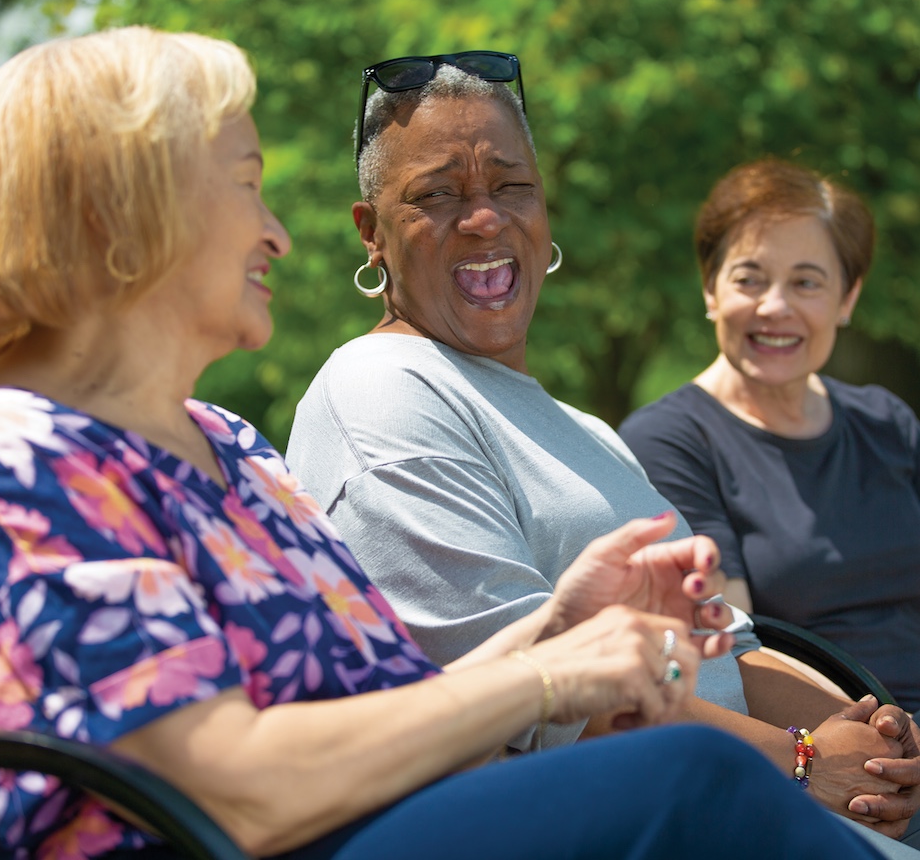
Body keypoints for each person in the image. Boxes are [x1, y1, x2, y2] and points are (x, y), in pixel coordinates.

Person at [0, 28, 873, 860]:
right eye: (246, 187)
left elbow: (388, 711)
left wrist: (556, 626)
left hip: (379, 818)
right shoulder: (19, 457)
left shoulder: (227, 445)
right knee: (689, 776)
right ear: (116, 216)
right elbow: (225, 787)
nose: (277, 234)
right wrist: (551, 674)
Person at [286, 51, 920, 855]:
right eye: (437, 195)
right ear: (372, 233)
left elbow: (734, 647)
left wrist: (863, 736)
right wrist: (800, 763)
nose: (484, 219)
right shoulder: (380, 390)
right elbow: (535, 702)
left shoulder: (587, 430)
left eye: (512, 186)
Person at [618, 157, 920, 713]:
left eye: (806, 282)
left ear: (847, 299)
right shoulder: (670, 442)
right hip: (839, 743)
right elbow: (734, 650)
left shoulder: (888, 422)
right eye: (749, 279)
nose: (774, 306)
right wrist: (888, 740)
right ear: (711, 290)